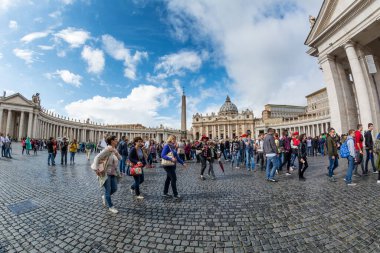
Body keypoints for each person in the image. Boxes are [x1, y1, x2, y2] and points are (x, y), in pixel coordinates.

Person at [91, 135, 121, 214]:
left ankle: (105, 197)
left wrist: (117, 154)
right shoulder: (107, 149)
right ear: (111, 141)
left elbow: (120, 158)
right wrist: (96, 169)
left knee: (114, 188)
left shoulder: (114, 149)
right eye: (115, 140)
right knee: (108, 190)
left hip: (113, 172)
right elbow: (97, 157)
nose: (117, 141)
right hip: (105, 173)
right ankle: (111, 206)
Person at [161, 135, 187, 199]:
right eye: (173, 139)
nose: (175, 140)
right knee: (173, 178)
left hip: (172, 165)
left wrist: (182, 163)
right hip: (167, 165)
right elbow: (162, 155)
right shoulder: (167, 146)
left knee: (168, 179)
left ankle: (165, 192)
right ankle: (175, 194)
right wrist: (171, 159)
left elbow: (176, 157)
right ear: (170, 139)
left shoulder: (173, 147)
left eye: (175, 139)